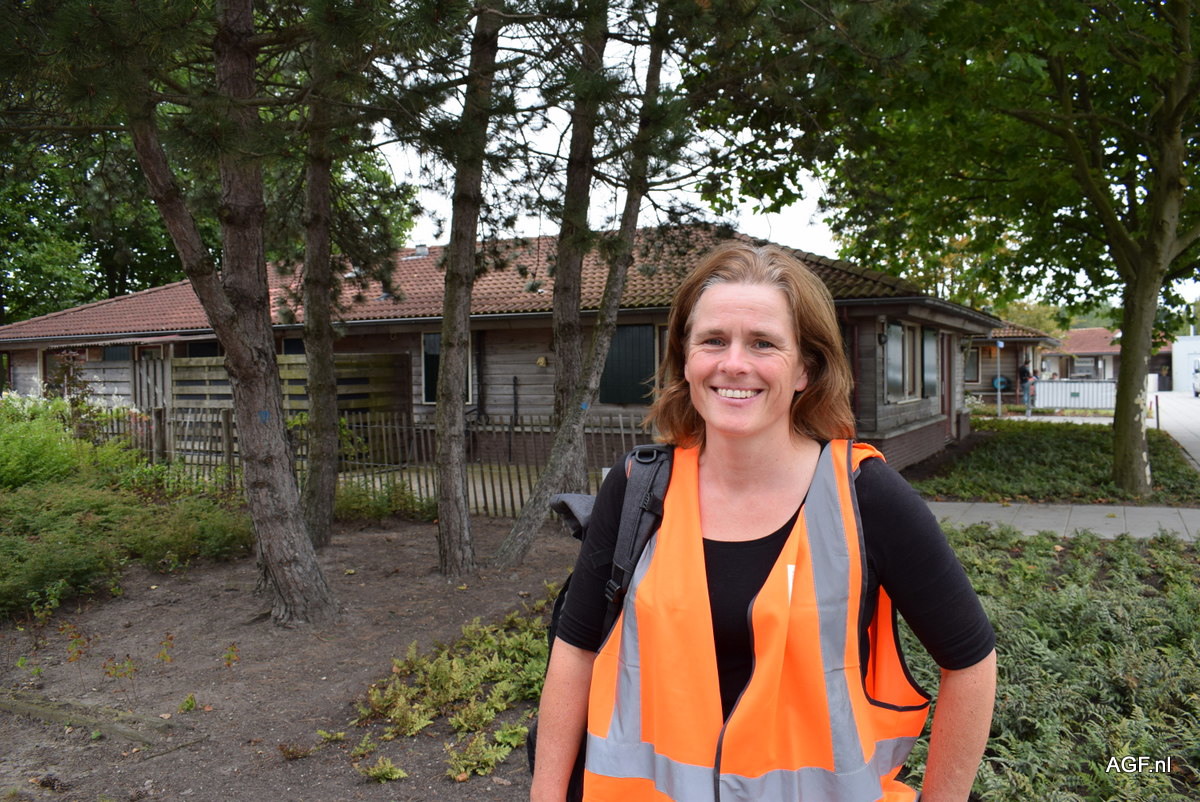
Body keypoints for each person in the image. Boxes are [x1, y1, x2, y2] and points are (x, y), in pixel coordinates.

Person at [531, 242, 996, 802]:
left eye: (763, 343)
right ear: (685, 359)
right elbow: (576, 650)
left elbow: (970, 663)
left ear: (805, 369)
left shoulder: (865, 496)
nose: (733, 363)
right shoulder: (637, 488)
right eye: (712, 340)